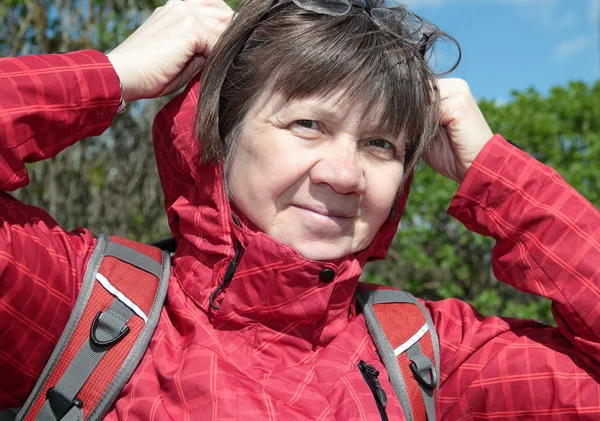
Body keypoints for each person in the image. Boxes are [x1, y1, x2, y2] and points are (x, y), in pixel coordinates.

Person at [1, 0, 599, 419]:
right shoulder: (78, 305)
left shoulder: (427, 358)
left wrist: (497, 174)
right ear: (221, 134)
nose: (345, 175)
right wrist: (113, 73)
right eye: (308, 124)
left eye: (381, 145)